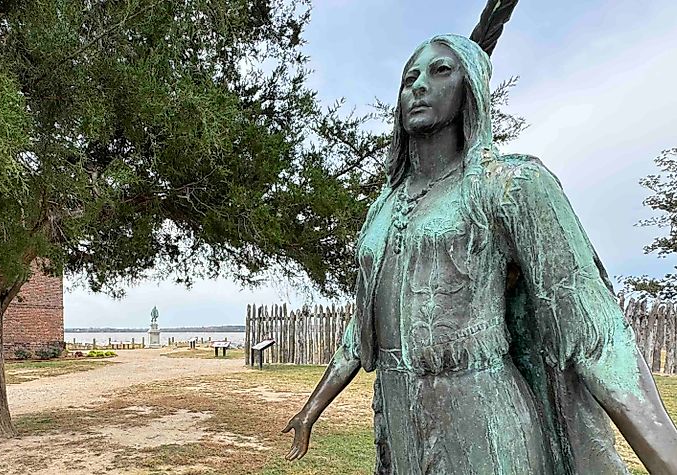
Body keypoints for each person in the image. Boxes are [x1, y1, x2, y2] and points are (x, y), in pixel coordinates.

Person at [282, 34, 677, 474]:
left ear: (470, 88)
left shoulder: (510, 186)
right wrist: (311, 409)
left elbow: (593, 328)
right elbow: (362, 328)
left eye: (440, 71)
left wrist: (665, 456)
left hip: (482, 417)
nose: (418, 86)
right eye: (409, 77)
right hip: (398, 419)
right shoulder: (384, 208)